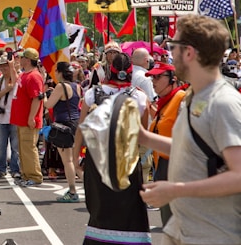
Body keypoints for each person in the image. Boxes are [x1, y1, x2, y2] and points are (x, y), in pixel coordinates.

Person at [139, 15, 241, 244]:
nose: (169, 54)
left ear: (189, 53)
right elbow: (194, 150)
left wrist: (175, 190)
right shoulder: (193, 96)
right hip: (184, 229)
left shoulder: (223, 103)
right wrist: (144, 137)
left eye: (173, 47)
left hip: (212, 234)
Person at [75, 52, 151, 244]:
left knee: (99, 208)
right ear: (131, 72)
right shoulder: (140, 97)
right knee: (129, 209)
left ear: (110, 69)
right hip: (127, 160)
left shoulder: (92, 93)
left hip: (97, 159)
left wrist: (74, 158)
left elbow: (81, 129)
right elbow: (143, 134)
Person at [145, 62, 186, 226]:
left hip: (176, 167)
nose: (153, 81)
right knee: (169, 225)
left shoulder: (182, 99)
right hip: (162, 165)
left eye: (158, 76)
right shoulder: (164, 102)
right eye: (152, 77)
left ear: (173, 80)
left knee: (175, 225)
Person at [43, 61, 82, 202]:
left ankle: (72, 192)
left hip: (64, 125)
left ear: (60, 72)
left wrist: (46, 94)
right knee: (75, 161)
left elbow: (48, 105)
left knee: (68, 161)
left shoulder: (61, 86)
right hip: (75, 123)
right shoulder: (77, 86)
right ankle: (91, 188)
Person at [10, 48, 44, 187]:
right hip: (21, 119)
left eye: (22, 57)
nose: (20, 59)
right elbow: (16, 81)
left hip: (28, 120)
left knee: (29, 148)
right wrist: (12, 67)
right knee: (24, 149)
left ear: (28, 60)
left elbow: (37, 98)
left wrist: (31, 118)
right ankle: (26, 174)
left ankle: (34, 176)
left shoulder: (34, 76)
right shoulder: (25, 74)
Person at [0, 55, 20, 179]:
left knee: (15, 147)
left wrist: (13, 67)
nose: (2, 68)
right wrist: (6, 90)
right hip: (1, 118)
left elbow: (15, 83)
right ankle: (1, 169)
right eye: (1, 66)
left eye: (5, 65)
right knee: (1, 146)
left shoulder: (17, 78)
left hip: (15, 117)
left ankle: (15, 169)